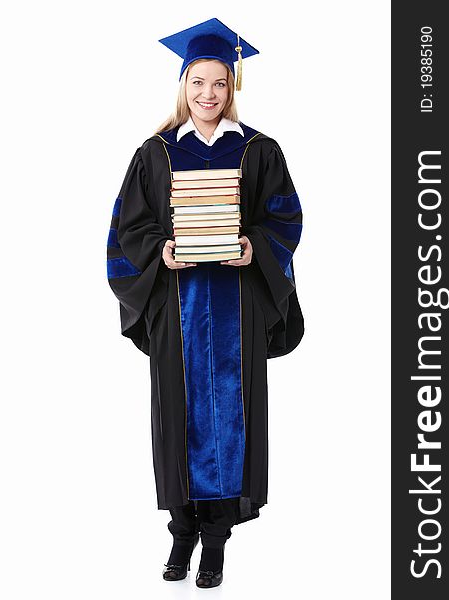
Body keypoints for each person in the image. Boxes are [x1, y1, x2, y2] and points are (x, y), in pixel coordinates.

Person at [106, 18, 304, 588]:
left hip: (238, 306)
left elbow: (285, 218)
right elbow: (128, 228)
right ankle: (181, 530)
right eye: (198, 82)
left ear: (232, 86)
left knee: (232, 419)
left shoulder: (259, 150)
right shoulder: (156, 154)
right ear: (182, 85)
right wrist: (160, 251)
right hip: (177, 309)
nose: (208, 94)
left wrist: (253, 247)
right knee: (178, 419)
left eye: (219, 83)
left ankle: (215, 540)